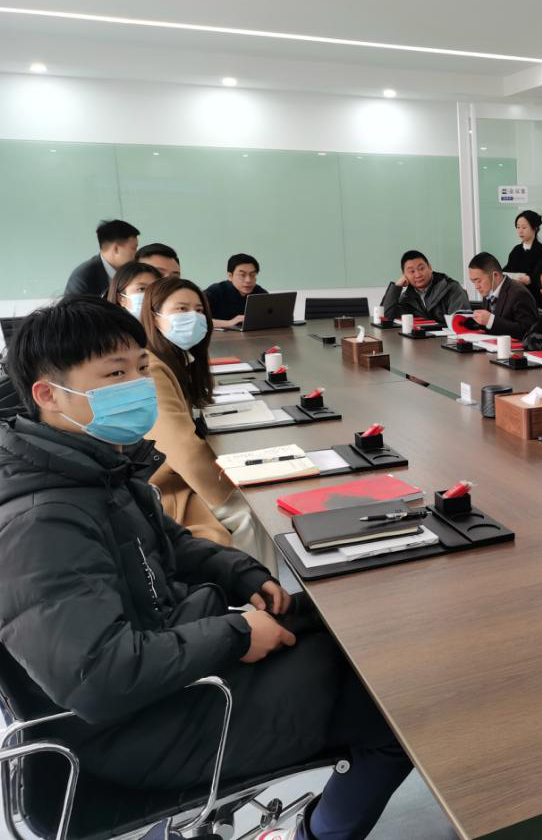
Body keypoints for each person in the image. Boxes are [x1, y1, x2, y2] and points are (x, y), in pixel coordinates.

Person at [0, 296, 413, 840]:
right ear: (49, 395)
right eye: (116, 374)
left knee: (354, 630)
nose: (139, 385)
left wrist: (243, 574)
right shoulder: (42, 522)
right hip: (141, 727)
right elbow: (98, 678)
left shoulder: (93, 468)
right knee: (397, 706)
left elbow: (170, 544)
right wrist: (236, 633)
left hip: (173, 677)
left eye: (141, 369)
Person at [141, 276, 277, 565]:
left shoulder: (173, 358)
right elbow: (183, 450)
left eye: (199, 310)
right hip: (165, 484)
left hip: (175, 473)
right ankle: (256, 590)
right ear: (154, 316)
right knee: (251, 513)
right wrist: (229, 497)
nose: (193, 317)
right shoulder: (151, 368)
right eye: (181, 309)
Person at [380, 250, 468, 324]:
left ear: (430, 268)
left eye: (421, 269)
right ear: (404, 275)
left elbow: (461, 323)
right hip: (419, 339)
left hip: (447, 338)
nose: (418, 275)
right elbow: (386, 318)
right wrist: (396, 287)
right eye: (412, 271)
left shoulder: (451, 288)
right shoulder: (406, 297)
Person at [466, 252, 538, 339]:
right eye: (473, 282)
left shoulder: (519, 293)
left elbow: (527, 331)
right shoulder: (488, 291)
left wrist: (491, 321)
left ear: (495, 275)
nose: (476, 287)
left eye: (479, 281)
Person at [64, 219, 140, 298]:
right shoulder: (83, 277)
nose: (136, 253)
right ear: (116, 249)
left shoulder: (130, 271)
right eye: (134, 248)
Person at [205, 254, 268, 329]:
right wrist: (230, 323)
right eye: (242, 275)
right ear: (230, 276)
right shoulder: (215, 291)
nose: (248, 280)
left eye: (252, 275)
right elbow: (199, 320)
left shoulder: (260, 293)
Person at [504, 210, 542, 307]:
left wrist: (530, 279)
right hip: (516, 298)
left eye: (524, 227)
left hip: (536, 300)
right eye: (518, 227)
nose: (520, 231)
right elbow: (508, 269)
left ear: (535, 228)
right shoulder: (516, 250)